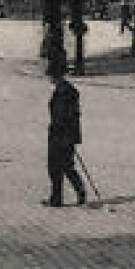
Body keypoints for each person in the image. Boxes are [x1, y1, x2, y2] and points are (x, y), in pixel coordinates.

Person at [45, 58, 88, 206]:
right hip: (56, 133)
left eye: (52, 76)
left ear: (59, 76)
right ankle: (56, 198)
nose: (50, 79)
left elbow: (72, 115)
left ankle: (80, 191)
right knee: (53, 167)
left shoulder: (69, 92)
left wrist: (67, 134)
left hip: (65, 135)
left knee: (66, 167)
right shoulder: (58, 91)